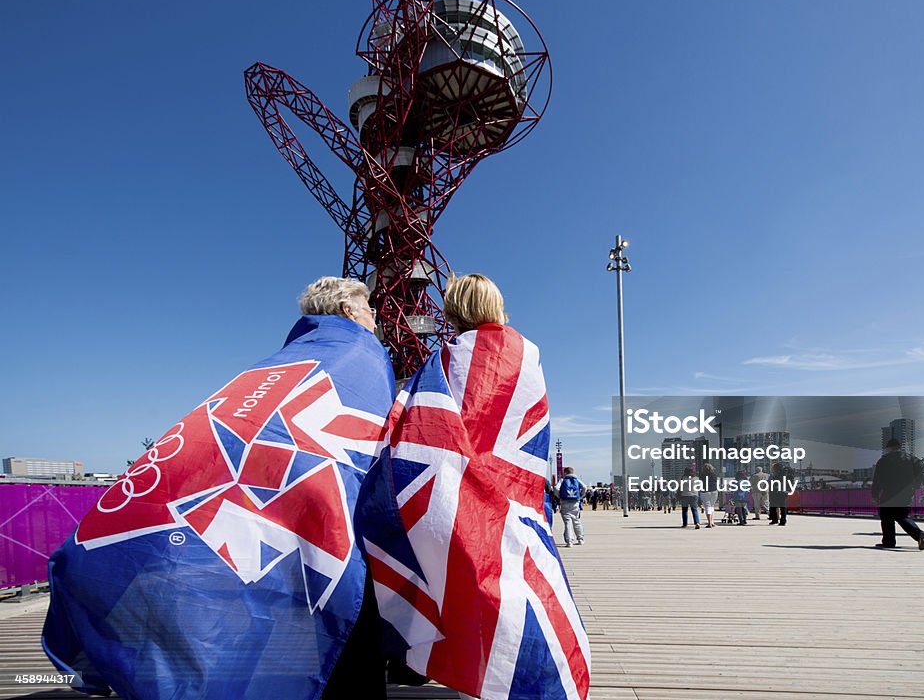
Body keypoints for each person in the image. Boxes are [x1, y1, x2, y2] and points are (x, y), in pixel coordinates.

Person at [45, 277, 395, 700]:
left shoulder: (276, 365)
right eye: (369, 310)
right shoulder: (360, 356)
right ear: (347, 313)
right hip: (320, 512)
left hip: (279, 509)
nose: (375, 319)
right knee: (340, 615)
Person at [358, 273, 591, 700]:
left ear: (451, 310)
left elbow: (417, 422)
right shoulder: (528, 357)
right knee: (512, 589)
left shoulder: (447, 360)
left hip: (454, 493)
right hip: (515, 496)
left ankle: (446, 664)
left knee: (455, 580)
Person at [870, 439, 924, 550]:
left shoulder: (884, 460)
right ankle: (919, 534)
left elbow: (877, 479)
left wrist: (874, 494)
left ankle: (889, 541)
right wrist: (915, 486)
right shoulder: (912, 459)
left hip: (889, 491)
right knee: (902, 515)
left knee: (886, 516)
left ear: (889, 448)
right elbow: (922, 473)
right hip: (907, 491)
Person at [559, 466, 587, 547]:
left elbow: (556, 489)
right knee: (576, 521)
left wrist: (560, 497)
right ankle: (580, 539)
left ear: (565, 473)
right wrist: (581, 496)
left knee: (568, 522)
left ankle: (569, 541)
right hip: (575, 503)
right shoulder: (577, 480)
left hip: (565, 503)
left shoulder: (562, 480)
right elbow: (584, 487)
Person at [700, 462, 718, 528]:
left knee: (707, 506)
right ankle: (712, 521)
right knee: (711, 506)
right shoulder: (714, 475)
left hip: (705, 491)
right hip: (714, 491)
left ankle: (709, 522)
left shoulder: (702, 475)